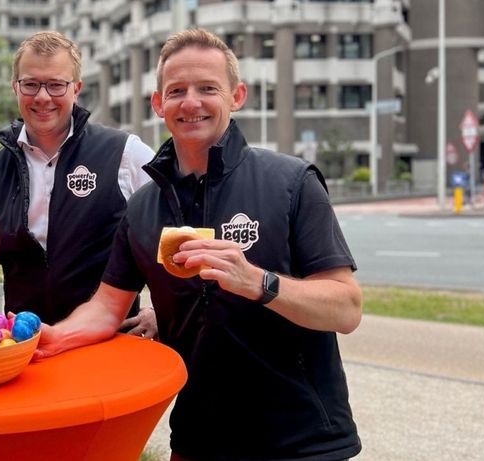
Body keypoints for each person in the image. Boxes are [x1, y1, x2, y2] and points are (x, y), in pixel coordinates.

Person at [37, 28, 362, 461]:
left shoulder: (291, 182)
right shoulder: (142, 207)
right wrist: (54, 338)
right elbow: (107, 307)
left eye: (207, 88)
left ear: (237, 96)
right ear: (158, 104)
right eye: (176, 91)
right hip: (196, 437)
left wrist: (257, 281)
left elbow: (346, 308)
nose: (191, 103)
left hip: (301, 442)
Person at [0, 31, 157, 334]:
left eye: (55, 85)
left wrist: (158, 310)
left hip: (108, 343)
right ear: (15, 87)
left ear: (76, 89)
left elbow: (175, 231)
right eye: (30, 84)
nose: (42, 96)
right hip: (24, 347)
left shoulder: (124, 153)